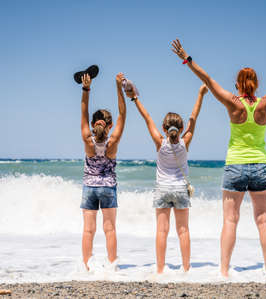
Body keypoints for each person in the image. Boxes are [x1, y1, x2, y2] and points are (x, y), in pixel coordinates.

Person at [170, 38, 266, 277]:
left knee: (230, 220)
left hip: (235, 166)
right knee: (263, 220)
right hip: (261, 165)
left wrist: (187, 59)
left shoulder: (232, 103)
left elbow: (207, 80)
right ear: (256, 84)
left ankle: (224, 271)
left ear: (239, 84)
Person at [131, 84, 208, 274]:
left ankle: (159, 269)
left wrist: (135, 99)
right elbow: (194, 116)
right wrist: (200, 94)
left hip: (162, 189)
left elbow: (147, 117)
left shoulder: (159, 141)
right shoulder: (185, 141)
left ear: (164, 129)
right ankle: (186, 268)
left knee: (161, 231)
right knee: (183, 230)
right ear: (180, 129)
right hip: (181, 189)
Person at [79, 72, 127, 271]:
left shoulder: (87, 138)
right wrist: (118, 87)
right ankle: (112, 265)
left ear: (92, 125)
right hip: (108, 187)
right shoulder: (113, 141)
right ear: (110, 126)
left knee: (89, 230)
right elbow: (123, 114)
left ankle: (87, 266)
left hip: (89, 186)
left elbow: (83, 111)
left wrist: (86, 89)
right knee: (110, 229)